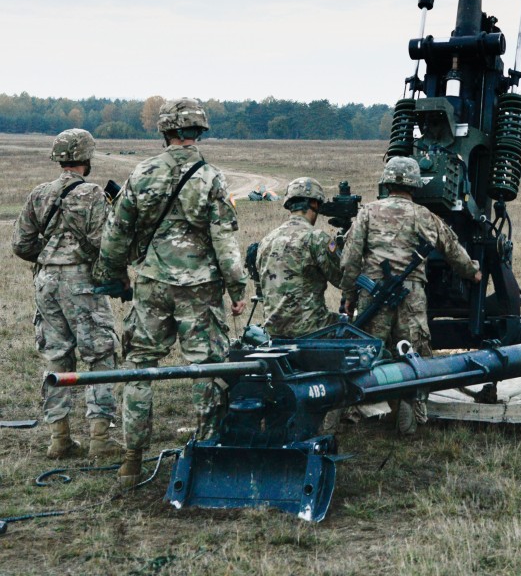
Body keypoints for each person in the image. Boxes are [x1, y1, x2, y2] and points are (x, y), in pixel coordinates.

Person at [92, 98, 247, 488]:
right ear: (199, 131)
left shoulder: (141, 173)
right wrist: (237, 288)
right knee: (208, 369)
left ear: (165, 131)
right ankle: (208, 452)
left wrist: (114, 276)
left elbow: (116, 233)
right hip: (200, 288)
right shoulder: (211, 177)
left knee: (140, 366)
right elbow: (224, 238)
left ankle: (132, 459)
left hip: (152, 283)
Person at [340, 156, 482, 435]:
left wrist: (349, 297)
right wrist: (473, 272)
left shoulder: (367, 212)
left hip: (373, 295)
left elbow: (350, 260)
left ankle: (351, 414)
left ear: (387, 181)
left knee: (365, 353)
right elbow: (453, 249)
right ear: (415, 185)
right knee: (414, 354)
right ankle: (411, 415)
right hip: (412, 296)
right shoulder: (426, 216)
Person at [11, 128, 122, 461]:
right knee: (99, 354)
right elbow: (106, 244)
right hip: (82, 283)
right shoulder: (92, 194)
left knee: (56, 355)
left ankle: (59, 439)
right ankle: (100, 439)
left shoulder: (39, 194)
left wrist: (50, 259)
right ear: (87, 159)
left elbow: (20, 244)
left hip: (46, 283)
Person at [256, 177, 342, 338]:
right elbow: (343, 280)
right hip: (311, 329)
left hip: (273, 330)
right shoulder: (316, 238)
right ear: (315, 204)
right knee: (355, 327)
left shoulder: (266, 240)